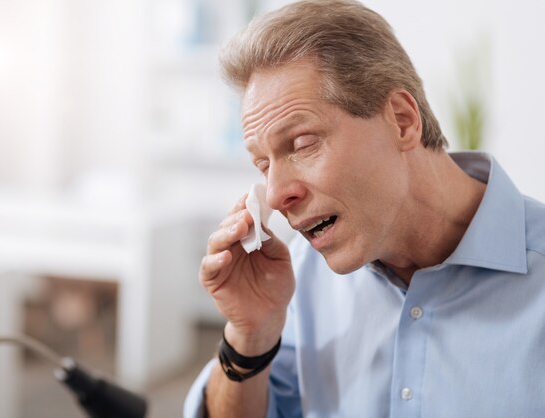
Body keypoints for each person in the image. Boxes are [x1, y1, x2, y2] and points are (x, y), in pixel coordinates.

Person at [184, 1, 545, 417]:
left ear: (403, 120)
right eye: (263, 165)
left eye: (302, 144)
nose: (276, 194)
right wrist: (250, 335)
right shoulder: (299, 275)